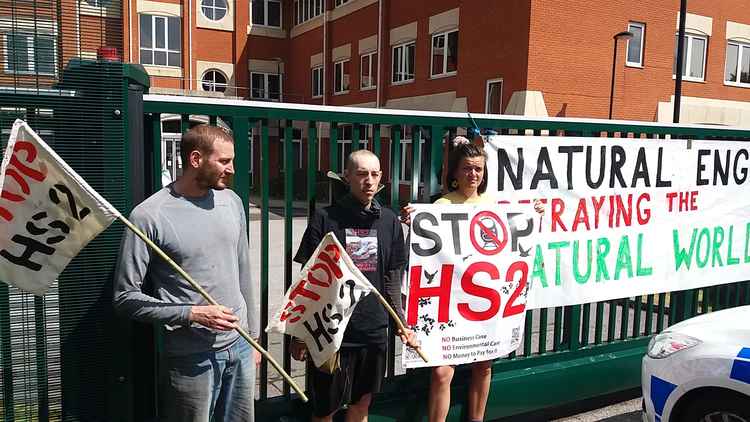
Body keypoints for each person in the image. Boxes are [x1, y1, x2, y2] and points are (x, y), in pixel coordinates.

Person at [113, 125, 260, 422]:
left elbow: (243, 271)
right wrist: (192, 313)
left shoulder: (231, 202)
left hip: (241, 346)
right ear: (195, 159)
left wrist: (254, 339)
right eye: (224, 161)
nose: (232, 169)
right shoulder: (149, 216)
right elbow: (125, 297)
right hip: (191, 359)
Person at [402, 136, 542, 422]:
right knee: (442, 372)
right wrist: (413, 220)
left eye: (478, 169)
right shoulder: (441, 205)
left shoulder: (493, 205)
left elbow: (510, 237)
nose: (473, 174)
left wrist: (533, 213)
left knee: (484, 366)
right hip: (451, 302)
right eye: (467, 168)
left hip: (483, 300)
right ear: (454, 172)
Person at [291, 149, 418, 422]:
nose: (369, 181)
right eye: (361, 174)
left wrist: (401, 322)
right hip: (330, 332)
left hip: (372, 330)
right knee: (325, 409)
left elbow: (392, 277)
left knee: (362, 405)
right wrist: (300, 335)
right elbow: (307, 279)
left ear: (381, 177)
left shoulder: (389, 221)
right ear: (347, 176)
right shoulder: (325, 218)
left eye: (374, 174)